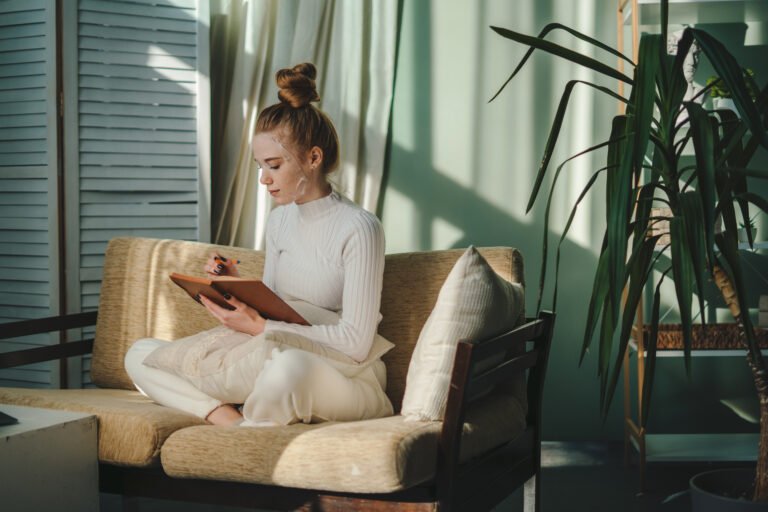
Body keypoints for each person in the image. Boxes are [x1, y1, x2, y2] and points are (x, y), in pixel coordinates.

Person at [124, 63, 393, 427]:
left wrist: (261, 329)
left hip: (344, 375)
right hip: (272, 351)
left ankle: (251, 430)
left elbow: (357, 342)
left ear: (314, 158)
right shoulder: (280, 220)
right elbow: (277, 306)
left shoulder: (359, 227)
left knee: (287, 369)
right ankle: (230, 421)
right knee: (140, 354)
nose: (264, 179)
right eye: (259, 166)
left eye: (274, 165)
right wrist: (237, 287)